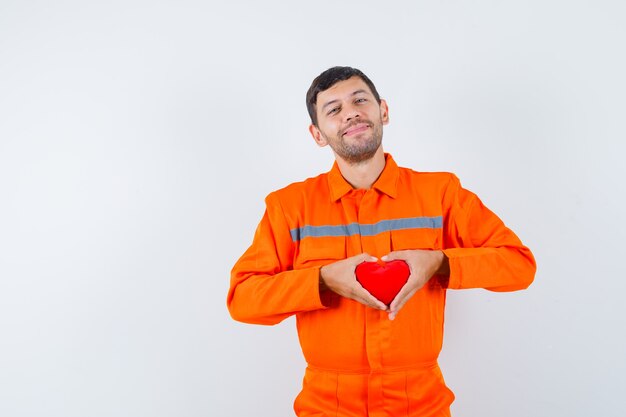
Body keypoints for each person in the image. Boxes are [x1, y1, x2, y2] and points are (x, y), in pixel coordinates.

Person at [227, 66, 536, 417]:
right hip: (328, 407)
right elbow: (243, 298)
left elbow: (518, 265)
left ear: (383, 111)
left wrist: (439, 262)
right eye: (333, 110)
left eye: (360, 100)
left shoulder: (440, 194)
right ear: (317, 134)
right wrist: (323, 280)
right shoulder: (289, 207)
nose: (351, 113)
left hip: (422, 405)